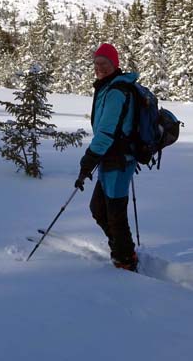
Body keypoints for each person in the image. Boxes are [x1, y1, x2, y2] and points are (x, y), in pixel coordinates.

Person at [75, 43, 139, 271]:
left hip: (119, 160)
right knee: (99, 208)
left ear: (115, 64)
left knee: (115, 214)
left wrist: (88, 160)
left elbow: (106, 131)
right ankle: (121, 248)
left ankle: (125, 260)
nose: (99, 67)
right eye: (96, 63)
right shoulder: (108, 86)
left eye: (105, 63)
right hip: (111, 158)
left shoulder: (115, 92)